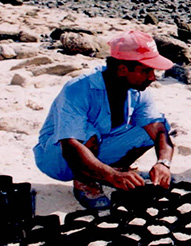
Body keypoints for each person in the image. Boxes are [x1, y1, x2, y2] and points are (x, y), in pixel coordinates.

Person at [34, 31, 175, 210]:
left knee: (155, 128)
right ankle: (86, 182)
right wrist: (112, 177)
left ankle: (112, 171)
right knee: (87, 134)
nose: (152, 77)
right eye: (146, 70)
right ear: (123, 69)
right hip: (58, 159)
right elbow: (70, 146)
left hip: (97, 150)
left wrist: (163, 163)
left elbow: (159, 131)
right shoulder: (78, 89)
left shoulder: (138, 90)